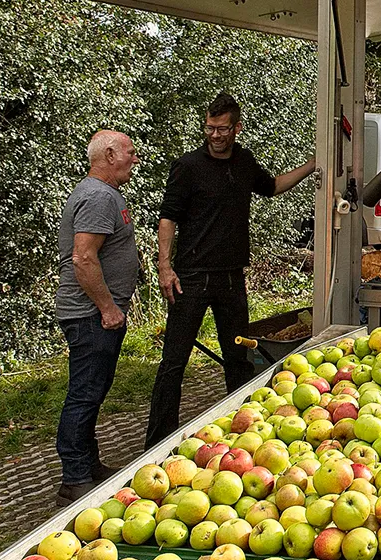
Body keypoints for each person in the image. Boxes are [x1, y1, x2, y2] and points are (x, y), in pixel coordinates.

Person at [146, 93, 315, 448]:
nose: (216, 135)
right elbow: (168, 219)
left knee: (238, 358)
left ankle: (243, 433)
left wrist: (315, 163)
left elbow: (273, 187)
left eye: (223, 128)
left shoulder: (243, 162)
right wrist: (164, 267)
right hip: (190, 277)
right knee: (174, 361)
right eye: (210, 127)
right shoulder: (187, 166)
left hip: (231, 278)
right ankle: (157, 443)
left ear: (237, 128)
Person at [54, 131, 141, 506]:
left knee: (93, 390)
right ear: (109, 154)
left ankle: (88, 465)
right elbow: (83, 258)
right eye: (130, 153)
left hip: (95, 314)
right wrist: (107, 307)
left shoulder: (104, 194)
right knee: (85, 393)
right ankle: (73, 479)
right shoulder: (97, 196)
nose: (135, 160)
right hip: (90, 315)